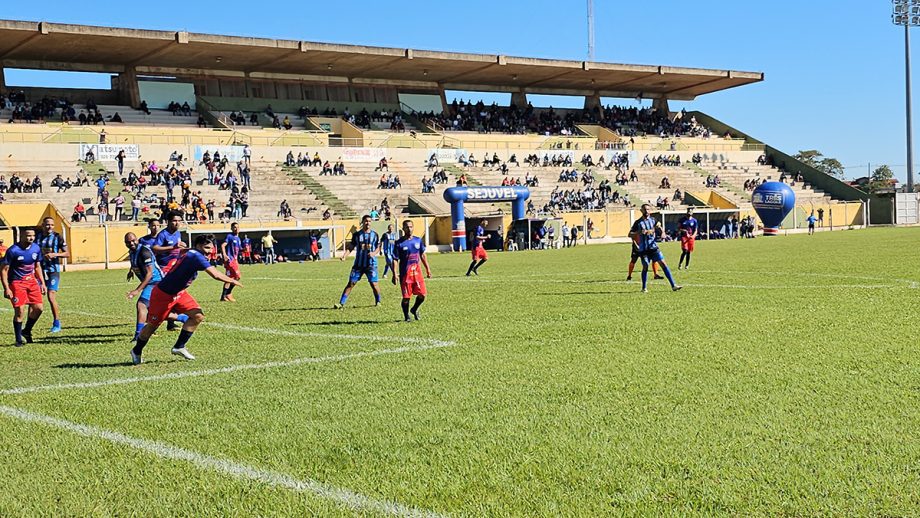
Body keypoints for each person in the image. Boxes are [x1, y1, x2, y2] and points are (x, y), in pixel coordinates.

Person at [130, 234, 242, 364]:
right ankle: (136, 350)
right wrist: (233, 281)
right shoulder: (196, 256)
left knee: (198, 316)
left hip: (179, 293)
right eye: (206, 248)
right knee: (152, 327)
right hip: (163, 295)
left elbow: (183, 252)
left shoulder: (192, 253)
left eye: (211, 248)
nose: (209, 251)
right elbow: (215, 275)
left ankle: (179, 346)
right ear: (199, 246)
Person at [125, 232, 188, 342]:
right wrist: (131, 271)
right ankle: (184, 318)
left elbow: (149, 273)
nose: (131, 243)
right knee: (154, 312)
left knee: (141, 305)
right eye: (128, 242)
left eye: (133, 240)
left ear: (137, 240)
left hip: (156, 282)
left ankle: (138, 336)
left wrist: (137, 290)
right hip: (152, 283)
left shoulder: (144, 252)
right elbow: (135, 262)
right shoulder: (132, 252)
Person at [1, 228, 46, 346]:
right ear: (21, 236)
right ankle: (18, 340)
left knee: (39, 308)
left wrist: (42, 283)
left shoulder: (36, 248)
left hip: (32, 281)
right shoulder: (13, 250)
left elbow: (37, 267)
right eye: (28, 236)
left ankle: (26, 331)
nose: (31, 238)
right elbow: (4, 270)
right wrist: (6, 288)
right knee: (20, 311)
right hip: (17, 283)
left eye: (33, 236)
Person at [629, 204, 681, 293]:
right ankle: (644, 288)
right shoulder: (638, 223)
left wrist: (662, 233)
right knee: (645, 266)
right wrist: (638, 233)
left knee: (663, 264)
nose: (647, 211)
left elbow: (659, 227)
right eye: (645, 209)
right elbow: (629, 234)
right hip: (644, 249)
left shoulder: (653, 220)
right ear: (641, 211)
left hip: (653, 247)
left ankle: (673, 285)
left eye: (648, 209)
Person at [335, 215, 381, 308]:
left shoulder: (375, 235)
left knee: (374, 284)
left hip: (371, 264)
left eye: (369, 221)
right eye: (366, 221)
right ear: (362, 222)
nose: (368, 223)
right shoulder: (356, 235)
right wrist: (345, 255)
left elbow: (378, 247)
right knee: (351, 283)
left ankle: (378, 301)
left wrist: (373, 253)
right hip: (358, 265)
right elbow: (351, 246)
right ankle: (341, 303)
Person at [391, 220, 431, 322]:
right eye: (407, 227)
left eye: (411, 227)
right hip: (405, 274)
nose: (409, 229)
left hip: (417, 273)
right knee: (406, 297)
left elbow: (422, 255)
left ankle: (414, 309)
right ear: (403, 229)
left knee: (422, 295)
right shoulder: (399, 243)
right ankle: (406, 316)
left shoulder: (418, 240)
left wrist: (428, 269)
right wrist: (394, 273)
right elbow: (395, 259)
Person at [36, 217, 69, 333]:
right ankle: (29, 323)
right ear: (42, 225)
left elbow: (67, 253)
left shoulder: (57, 237)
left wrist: (54, 254)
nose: (49, 227)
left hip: (53, 270)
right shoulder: (37, 237)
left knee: (51, 296)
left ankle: (57, 323)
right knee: (35, 297)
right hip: (38, 270)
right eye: (47, 224)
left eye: (52, 225)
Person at [221, 223, 243, 302]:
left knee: (229, 278)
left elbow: (239, 249)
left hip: (235, 260)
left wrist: (243, 250)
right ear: (231, 228)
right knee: (237, 276)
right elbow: (223, 245)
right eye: (234, 227)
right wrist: (224, 255)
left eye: (237, 227)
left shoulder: (238, 238)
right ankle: (228, 293)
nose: (236, 229)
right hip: (230, 260)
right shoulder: (229, 236)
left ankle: (223, 296)